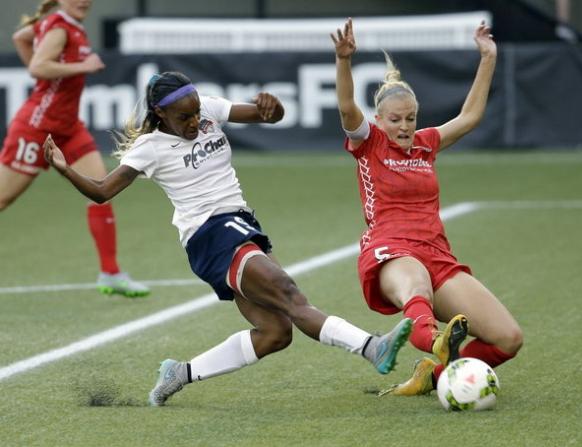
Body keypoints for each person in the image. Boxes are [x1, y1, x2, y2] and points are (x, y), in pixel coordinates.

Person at [43, 70, 414, 406]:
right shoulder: (150, 148)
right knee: (289, 293)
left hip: (238, 224)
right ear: (160, 113)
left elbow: (267, 116)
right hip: (210, 234)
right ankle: (372, 347)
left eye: (195, 113)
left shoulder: (208, 110)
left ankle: (180, 373)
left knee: (275, 333)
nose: (194, 122)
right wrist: (63, 169)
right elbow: (102, 191)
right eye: (183, 117)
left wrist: (273, 107)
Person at [331, 18, 523, 396]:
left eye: (410, 118)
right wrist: (343, 61)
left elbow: (469, 118)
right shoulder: (368, 142)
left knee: (508, 338)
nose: (404, 127)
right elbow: (345, 106)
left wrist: (487, 58)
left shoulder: (426, 143)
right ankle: (434, 339)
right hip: (390, 250)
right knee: (415, 282)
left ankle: (433, 377)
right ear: (379, 119)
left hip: (437, 254)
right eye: (395, 119)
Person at [0, 0, 149, 297]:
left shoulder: (66, 24)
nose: (83, 1)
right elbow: (39, 66)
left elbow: (21, 38)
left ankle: (111, 272)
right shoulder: (59, 26)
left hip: (69, 128)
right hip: (37, 127)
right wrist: (84, 65)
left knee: (101, 191)